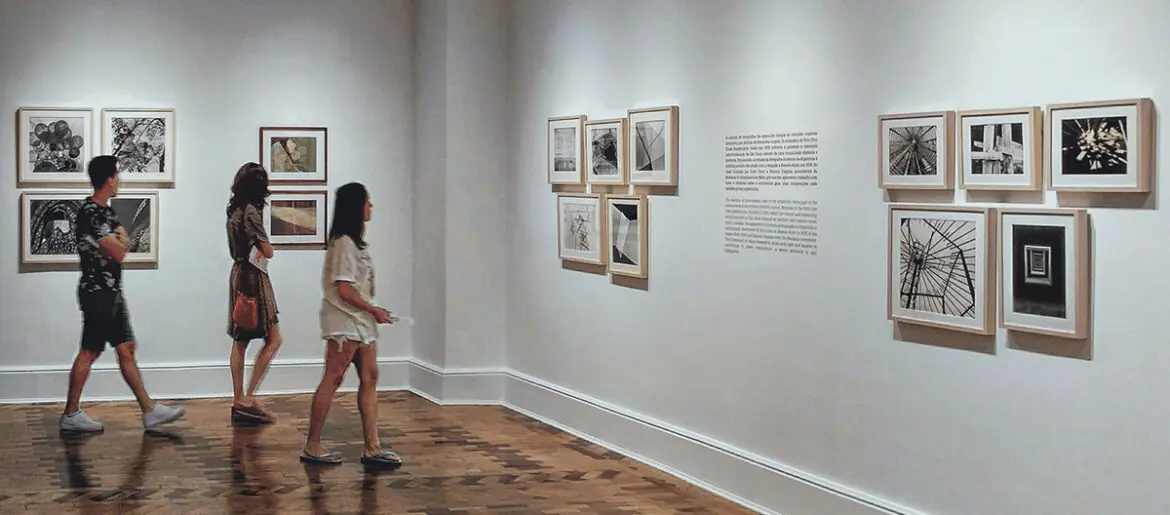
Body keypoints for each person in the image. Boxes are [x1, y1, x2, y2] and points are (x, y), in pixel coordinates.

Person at [59, 155, 185, 433]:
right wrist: (119, 242)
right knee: (89, 351)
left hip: (112, 292)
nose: (119, 181)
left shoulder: (107, 212)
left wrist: (119, 242)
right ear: (108, 179)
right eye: (117, 176)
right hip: (97, 293)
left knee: (126, 347)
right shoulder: (90, 213)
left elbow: (122, 243)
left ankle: (149, 410)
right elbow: (119, 249)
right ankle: (70, 414)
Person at [300, 182, 400, 466]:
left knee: (370, 377)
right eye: (367, 202)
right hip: (345, 322)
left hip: (361, 322)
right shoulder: (343, 242)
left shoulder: (354, 244)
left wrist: (372, 311)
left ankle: (372, 446)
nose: (371, 207)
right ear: (356, 206)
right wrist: (372, 309)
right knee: (333, 378)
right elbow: (343, 289)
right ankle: (312, 444)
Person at [225, 162, 283, 425]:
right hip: (252, 277)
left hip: (239, 273)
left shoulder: (234, 210)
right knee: (273, 338)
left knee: (241, 340)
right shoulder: (250, 211)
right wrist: (267, 248)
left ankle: (240, 399)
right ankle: (246, 398)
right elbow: (267, 250)